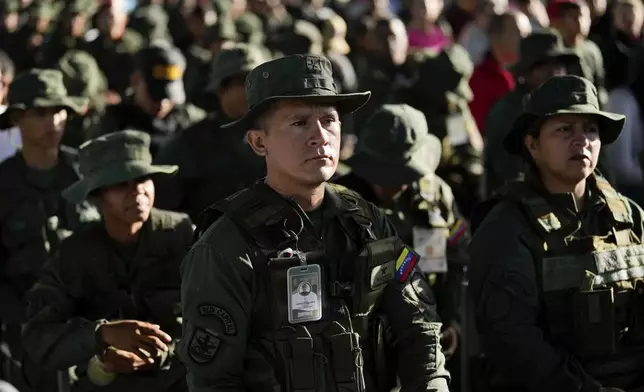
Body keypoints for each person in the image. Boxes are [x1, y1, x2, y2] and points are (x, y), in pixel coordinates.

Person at [178, 54, 450, 392]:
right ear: (258, 142)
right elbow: (214, 382)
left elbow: (419, 325)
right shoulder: (225, 248)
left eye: (329, 120)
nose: (319, 136)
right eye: (299, 123)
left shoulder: (368, 221)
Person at [469, 75, 644, 391]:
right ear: (532, 144)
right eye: (564, 129)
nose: (581, 141)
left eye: (590, 129)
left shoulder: (630, 216)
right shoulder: (507, 227)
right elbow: (515, 343)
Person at [22, 130, 193, 391]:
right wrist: (101, 336)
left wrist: (162, 355)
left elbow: (219, 320)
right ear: (97, 196)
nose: (137, 191)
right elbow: (38, 336)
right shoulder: (75, 254)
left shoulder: (181, 235)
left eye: (142, 178)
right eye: (120, 184)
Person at [334, 103, 469, 391]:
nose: (390, 186)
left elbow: (457, 259)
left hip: (430, 342)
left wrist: (452, 320)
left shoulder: (437, 196)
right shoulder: (339, 204)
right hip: (364, 353)